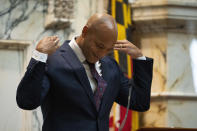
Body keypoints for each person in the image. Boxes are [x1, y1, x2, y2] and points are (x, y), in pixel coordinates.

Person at [16, 13, 153, 131]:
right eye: (99, 46)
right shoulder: (53, 60)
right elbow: (27, 102)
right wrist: (39, 57)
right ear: (85, 31)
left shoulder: (110, 66)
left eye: (108, 50)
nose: (102, 54)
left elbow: (139, 102)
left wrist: (139, 58)